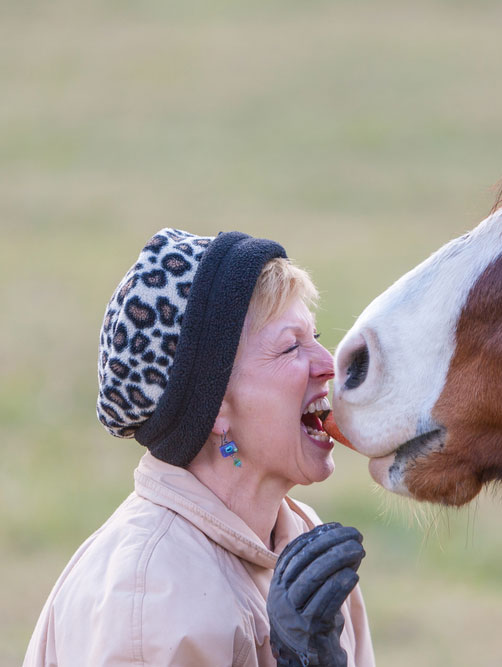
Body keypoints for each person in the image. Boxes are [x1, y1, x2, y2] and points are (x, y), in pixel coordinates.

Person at [23, 228, 375, 666]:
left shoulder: (304, 551)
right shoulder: (151, 601)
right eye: (290, 347)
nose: (328, 364)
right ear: (215, 407)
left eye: (315, 336)